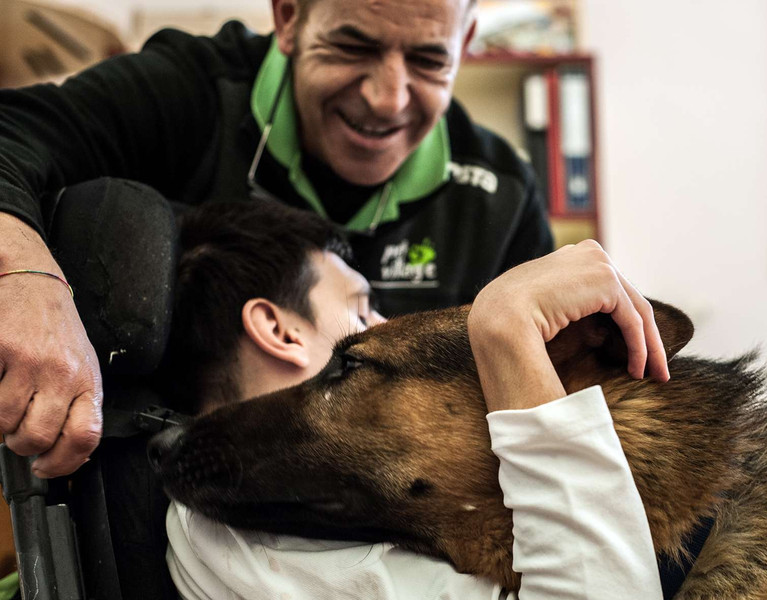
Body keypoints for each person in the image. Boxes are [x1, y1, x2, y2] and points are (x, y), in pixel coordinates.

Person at [0, 0, 667, 482]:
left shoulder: (499, 193)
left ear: (466, 40)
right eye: (354, 46)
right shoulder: (189, 93)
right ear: (288, 17)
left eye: (430, 59)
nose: (387, 96)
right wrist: (24, 279)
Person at [163, 200, 663, 599]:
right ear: (279, 330)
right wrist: (506, 325)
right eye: (361, 312)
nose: (382, 327)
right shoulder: (232, 525)